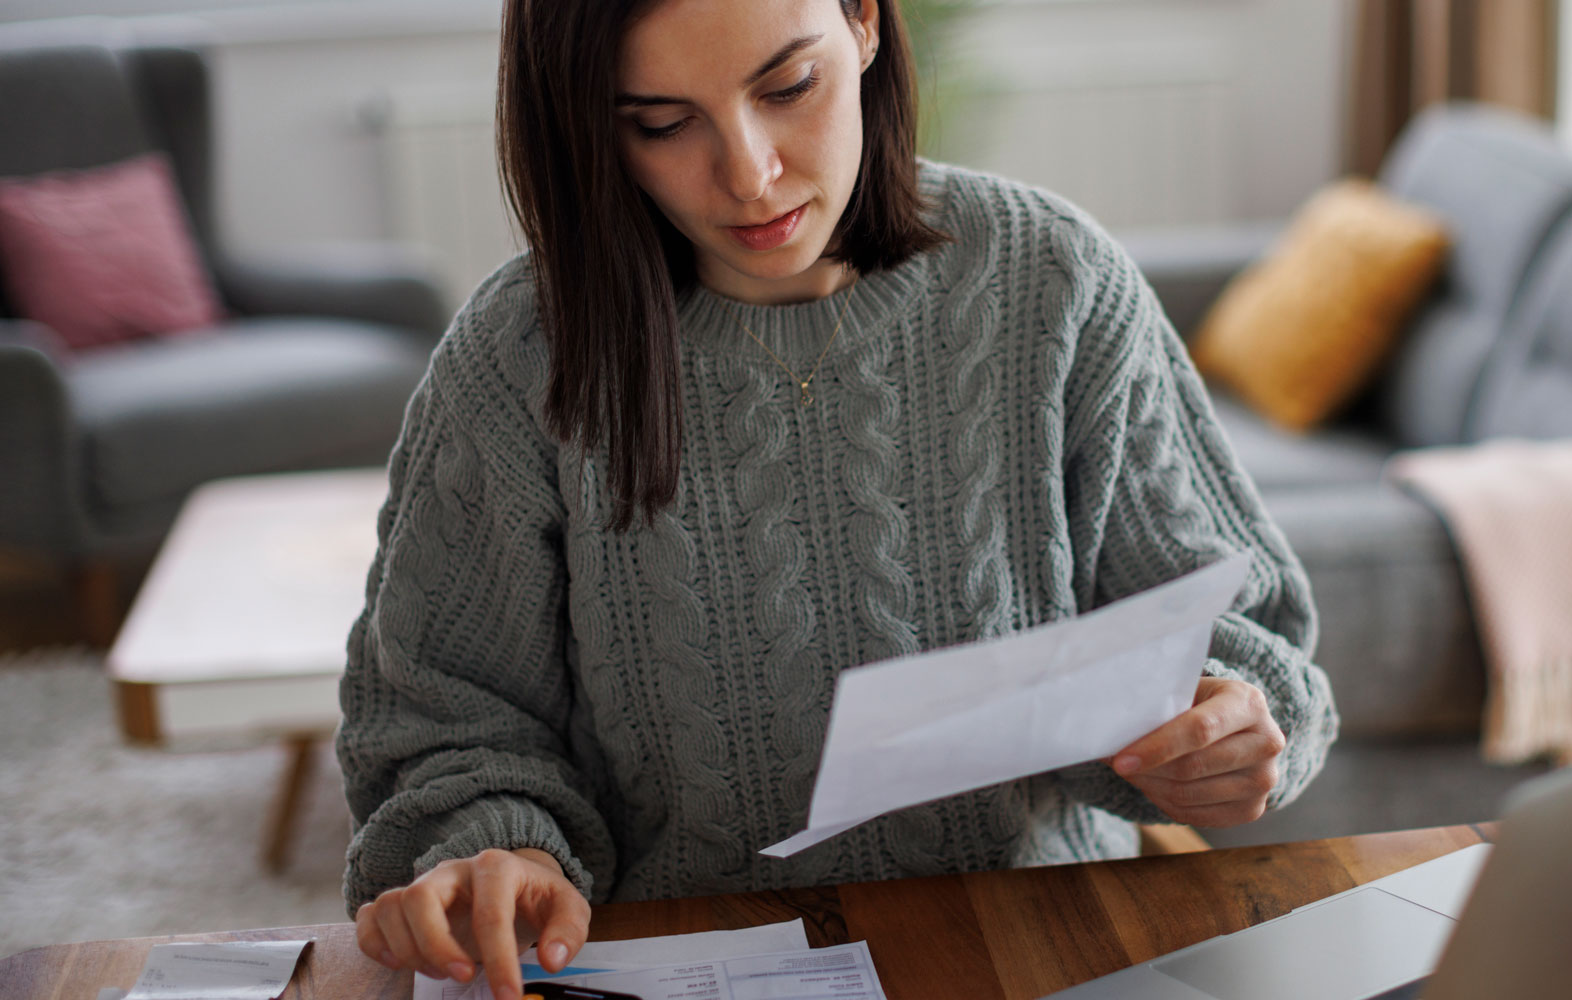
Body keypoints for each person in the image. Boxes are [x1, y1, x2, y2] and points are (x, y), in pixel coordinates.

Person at [339, 0, 1338, 997]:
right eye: (659, 120)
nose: (748, 171)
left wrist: (1235, 725)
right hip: (673, 963)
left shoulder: (1053, 278)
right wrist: (498, 851)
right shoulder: (520, 355)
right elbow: (442, 719)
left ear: (863, 24)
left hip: (1042, 945)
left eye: (787, 88)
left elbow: (1249, 636)